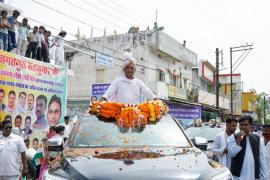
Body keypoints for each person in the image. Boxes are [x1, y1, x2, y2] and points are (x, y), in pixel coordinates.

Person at [228, 115, 267, 180]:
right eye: (241, 125)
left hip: (253, 174)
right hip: (238, 175)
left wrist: (263, 174)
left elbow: (261, 158)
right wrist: (238, 141)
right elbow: (231, 154)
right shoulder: (233, 137)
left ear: (251, 126)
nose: (243, 127)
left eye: (246, 125)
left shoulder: (257, 138)